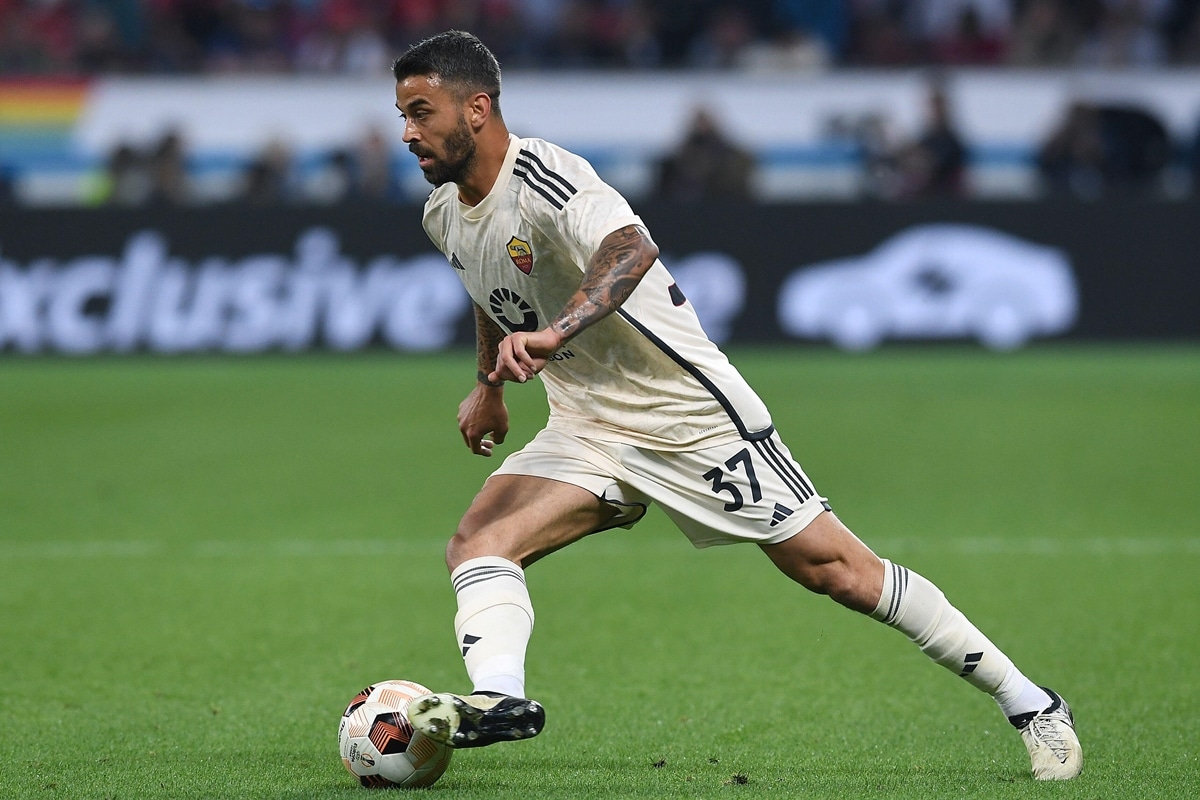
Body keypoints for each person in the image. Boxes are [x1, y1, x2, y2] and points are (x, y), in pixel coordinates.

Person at [390, 30, 1083, 781]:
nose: (408, 133)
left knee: (839, 572)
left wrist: (556, 333)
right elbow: (489, 286)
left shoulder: (546, 176)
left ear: (477, 109)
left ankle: (1031, 703)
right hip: (587, 423)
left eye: (422, 113)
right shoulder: (442, 213)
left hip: (690, 417)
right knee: (479, 542)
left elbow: (630, 248)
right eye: (404, 116)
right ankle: (499, 697)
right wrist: (489, 385)